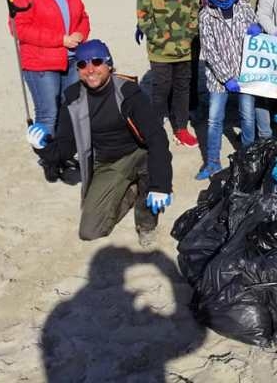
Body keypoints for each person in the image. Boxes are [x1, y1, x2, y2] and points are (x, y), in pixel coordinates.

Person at [25, 40, 173, 246]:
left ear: (109, 65)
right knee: (90, 231)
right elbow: (65, 149)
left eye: (96, 61)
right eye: (82, 64)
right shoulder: (73, 97)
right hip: (107, 163)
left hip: (139, 154)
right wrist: (42, 146)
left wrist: (161, 186)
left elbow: (157, 139)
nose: (90, 69)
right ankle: (131, 190)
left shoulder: (129, 92)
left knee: (152, 176)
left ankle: (146, 224)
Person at [10, 0, 90, 143]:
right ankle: (48, 158)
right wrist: (60, 40)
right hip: (41, 63)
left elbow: (82, 17)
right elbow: (18, 28)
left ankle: (63, 152)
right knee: (48, 113)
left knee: (68, 111)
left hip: (72, 59)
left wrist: (80, 34)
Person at [196, 0, 266, 179]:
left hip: (245, 74)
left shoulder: (243, 7)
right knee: (214, 120)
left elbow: (256, 28)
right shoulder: (206, 15)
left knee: (247, 117)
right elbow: (209, 50)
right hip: (219, 79)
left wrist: (258, 29)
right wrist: (226, 78)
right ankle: (212, 162)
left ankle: (247, 157)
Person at [137, 0, 202, 147]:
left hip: (184, 47)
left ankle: (181, 128)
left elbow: (195, 12)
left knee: (183, 88)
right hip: (160, 50)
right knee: (161, 89)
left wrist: (189, 36)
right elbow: (143, 16)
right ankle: (156, 128)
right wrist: (158, 39)